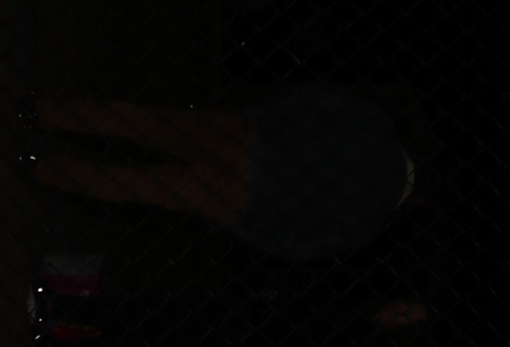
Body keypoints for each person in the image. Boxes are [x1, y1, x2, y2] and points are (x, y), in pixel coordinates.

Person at [28, 88, 413, 265]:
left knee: (146, 124)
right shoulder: (367, 221)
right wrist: (245, 225)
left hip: (250, 141)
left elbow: (311, 100)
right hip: (248, 199)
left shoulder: (375, 127)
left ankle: (44, 111)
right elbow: (300, 246)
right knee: (143, 187)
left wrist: (258, 118)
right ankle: (43, 169)